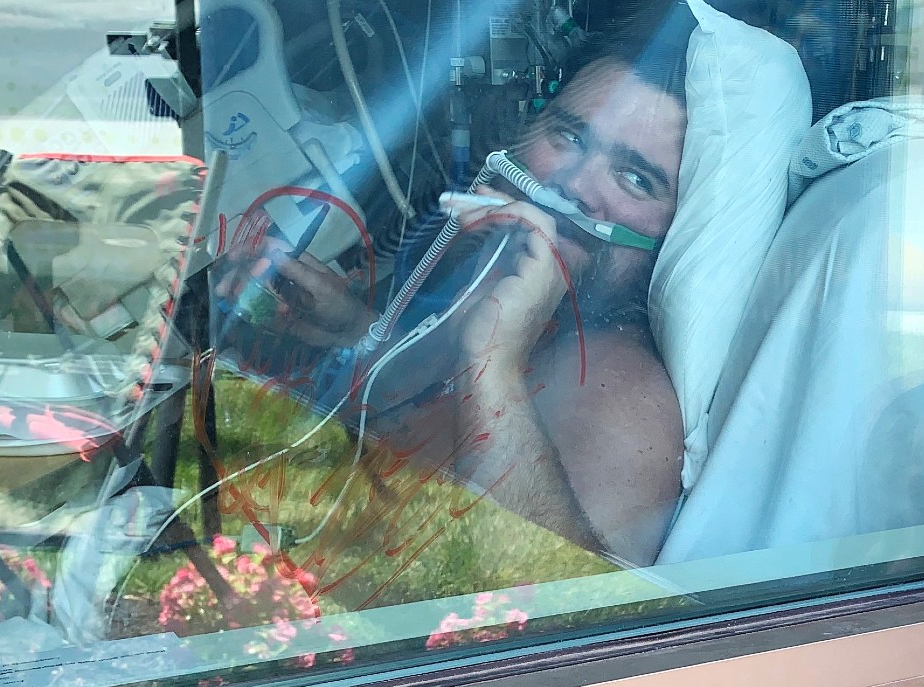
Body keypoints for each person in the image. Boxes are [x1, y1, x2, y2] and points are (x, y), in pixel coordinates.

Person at [217, 27, 691, 567]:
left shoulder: (629, 403)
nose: (575, 185)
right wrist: (352, 329)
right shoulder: (485, 272)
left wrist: (493, 366)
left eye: (635, 177)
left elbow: (561, 610)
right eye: (569, 137)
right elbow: (420, 429)